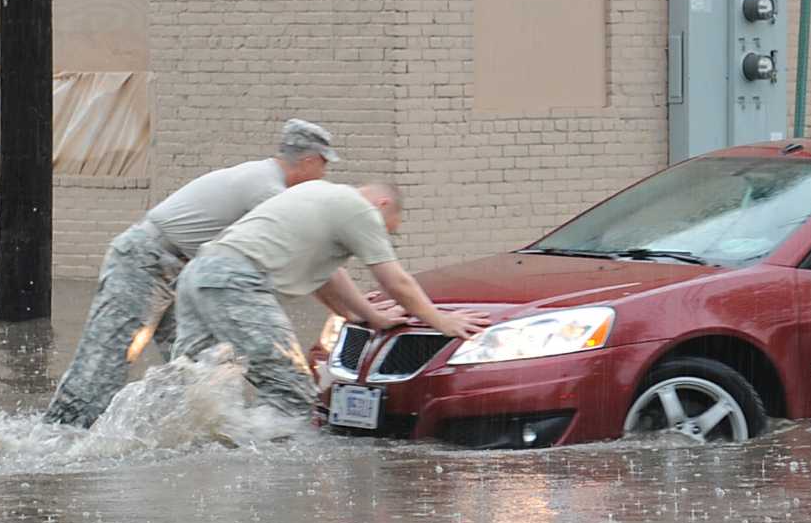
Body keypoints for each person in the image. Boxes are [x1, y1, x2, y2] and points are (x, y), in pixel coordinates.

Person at [42, 119, 340, 427]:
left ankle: (159, 431)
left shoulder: (262, 178)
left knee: (200, 364)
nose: (324, 175)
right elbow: (310, 259)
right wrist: (354, 313)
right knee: (106, 361)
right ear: (309, 160)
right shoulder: (267, 189)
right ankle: (58, 435)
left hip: (183, 274)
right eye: (324, 166)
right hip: (145, 262)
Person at [171, 179, 489, 420]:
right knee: (292, 392)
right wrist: (443, 321)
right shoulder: (361, 211)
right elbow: (396, 281)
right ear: (381, 205)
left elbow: (327, 277)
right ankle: (260, 471)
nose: (381, 237)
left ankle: (156, 441)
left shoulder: (319, 194)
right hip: (234, 281)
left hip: (198, 273)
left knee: (189, 382)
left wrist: (366, 316)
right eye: (386, 231)